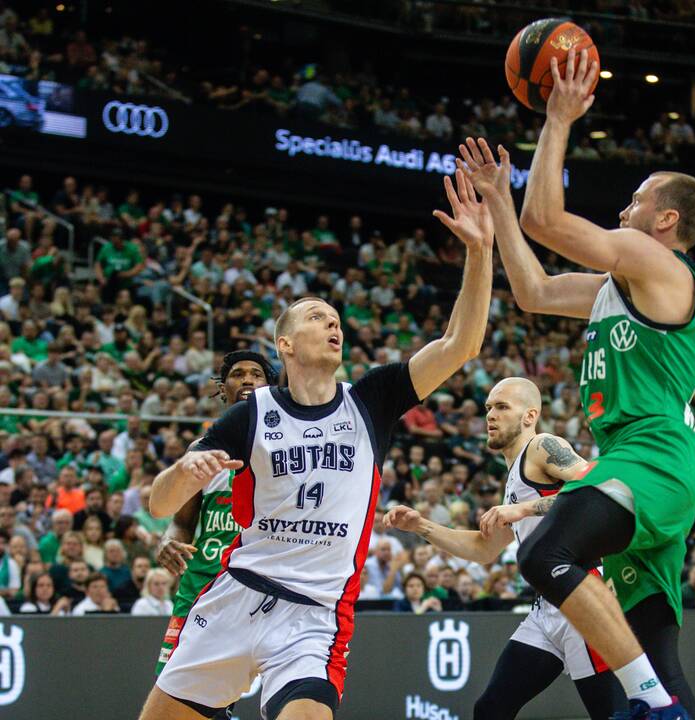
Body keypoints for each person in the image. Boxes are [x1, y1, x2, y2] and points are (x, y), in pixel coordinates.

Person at [140, 169, 492, 720]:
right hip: (234, 596)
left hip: (314, 616)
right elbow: (159, 503)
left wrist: (479, 251)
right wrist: (186, 470)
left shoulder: (373, 397)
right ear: (285, 343)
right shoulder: (251, 413)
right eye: (315, 316)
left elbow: (462, 343)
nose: (333, 323)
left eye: (336, 318)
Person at [459, 44, 695, 720]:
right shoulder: (616, 286)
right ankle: (662, 698)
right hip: (647, 460)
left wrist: (559, 118)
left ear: (666, 221)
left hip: (651, 454)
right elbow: (534, 290)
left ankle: (652, 705)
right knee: (655, 643)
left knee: (547, 551)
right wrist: (496, 203)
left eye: (636, 201)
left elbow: (550, 222)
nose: (625, 210)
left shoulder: (660, 262)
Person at [386, 377, 626, 719]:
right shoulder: (513, 476)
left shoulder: (543, 446)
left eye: (502, 407)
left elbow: (598, 489)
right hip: (547, 608)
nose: (490, 416)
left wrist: (524, 509)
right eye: (488, 408)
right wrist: (421, 526)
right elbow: (486, 550)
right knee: (491, 709)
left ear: (529, 416)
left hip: (582, 597)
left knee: (612, 714)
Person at [153, 351, 275, 698]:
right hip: (201, 589)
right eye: (238, 374)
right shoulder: (202, 450)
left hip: (260, 589)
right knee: (176, 700)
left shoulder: (286, 446)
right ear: (224, 390)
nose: (248, 379)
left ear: (270, 387)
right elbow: (181, 523)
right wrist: (168, 539)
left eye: (256, 374)